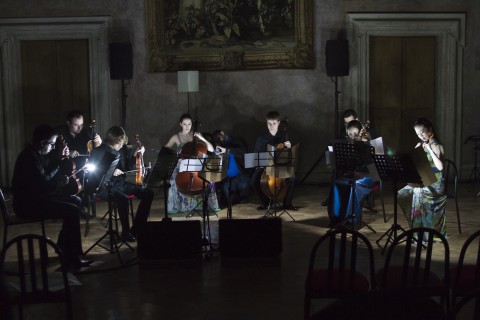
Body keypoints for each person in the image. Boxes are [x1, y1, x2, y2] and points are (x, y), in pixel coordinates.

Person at [11, 124, 91, 269]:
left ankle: (64, 247)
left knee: (76, 200)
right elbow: (44, 184)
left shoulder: (34, 154)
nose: (53, 147)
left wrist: (59, 161)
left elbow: (44, 178)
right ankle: (72, 257)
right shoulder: (29, 158)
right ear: (42, 143)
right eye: (52, 144)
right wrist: (60, 180)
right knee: (71, 210)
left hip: (36, 199)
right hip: (27, 205)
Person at [88, 126, 154, 242]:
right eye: (120, 143)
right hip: (104, 186)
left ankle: (137, 229)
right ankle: (125, 232)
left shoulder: (121, 150)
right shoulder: (97, 151)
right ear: (114, 141)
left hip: (119, 184)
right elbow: (93, 173)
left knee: (148, 192)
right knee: (122, 198)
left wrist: (137, 156)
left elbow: (128, 167)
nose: (122, 145)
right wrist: (111, 171)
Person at [398, 118, 446, 238]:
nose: (421, 136)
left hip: (436, 181)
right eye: (418, 134)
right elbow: (413, 163)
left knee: (418, 192)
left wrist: (429, 149)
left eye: (422, 132)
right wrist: (416, 151)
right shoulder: (420, 144)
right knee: (402, 194)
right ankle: (416, 226)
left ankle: (424, 233)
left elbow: (440, 167)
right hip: (424, 179)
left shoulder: (438, 145)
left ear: (430, 129)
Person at [164, 113, 220, 215]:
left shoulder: (196, 136)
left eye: (189, 124)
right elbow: (165, 150)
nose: (187, 127)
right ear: (180, 124)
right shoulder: (176, 137)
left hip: (196, 165)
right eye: (185, 124)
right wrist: (174, 154)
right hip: (182, 165)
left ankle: (206, 205)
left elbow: (211, 149)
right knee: (172, 180)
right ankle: (178, 206)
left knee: (210, 180)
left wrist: (202, 138)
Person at [327, 120, 375, 227]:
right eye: (349, 134)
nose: (352, 137)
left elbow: (370, 165)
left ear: (360, 133)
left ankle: (352, 220)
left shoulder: (366, 144)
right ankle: (337, 218)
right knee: (336, 183)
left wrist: (363, 144)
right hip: (351, 175)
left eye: (355, 134)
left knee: (353, 187)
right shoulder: (345, 145)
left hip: (366, 177)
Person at [251, 110, 297, 211]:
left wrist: (288, 147)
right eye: (269, 123)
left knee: (292, 178)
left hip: (279, 166)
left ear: (279, 123)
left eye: (274, 123)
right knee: (254, 181)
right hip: (265, 166)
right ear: (266, 123)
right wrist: (259, 164)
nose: (271, 126)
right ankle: (266, 203)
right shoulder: (261, 138)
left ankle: (287, 203)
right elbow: (256, 154)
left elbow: (287, 155)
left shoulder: (283, 135)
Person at [212, 129, 252, 206]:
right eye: (217, 140)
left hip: (241, 175)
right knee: (229, 197)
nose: (220, 140)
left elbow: (243, 152)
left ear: (222, 133)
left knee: (244, 187)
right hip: (228, 178)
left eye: (219, 137)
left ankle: (243, 201)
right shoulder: (220, 145)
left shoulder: (237, 140)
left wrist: (227, 150)